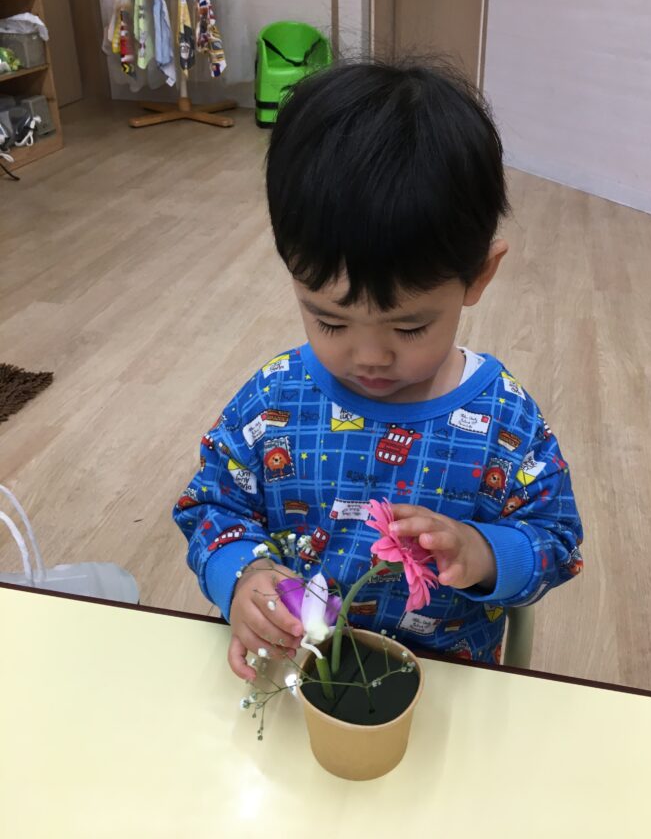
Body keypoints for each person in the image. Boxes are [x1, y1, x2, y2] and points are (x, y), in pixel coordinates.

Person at [173, 60, 583, 681]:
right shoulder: (274, 400)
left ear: (479, 276)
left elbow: (556, 539)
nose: (368, 356)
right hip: (295, 676)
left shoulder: (503, 421)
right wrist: (242, 576)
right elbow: (210, 504)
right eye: (329, 321)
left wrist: (482, 552)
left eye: (409, 328)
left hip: (440, 687)